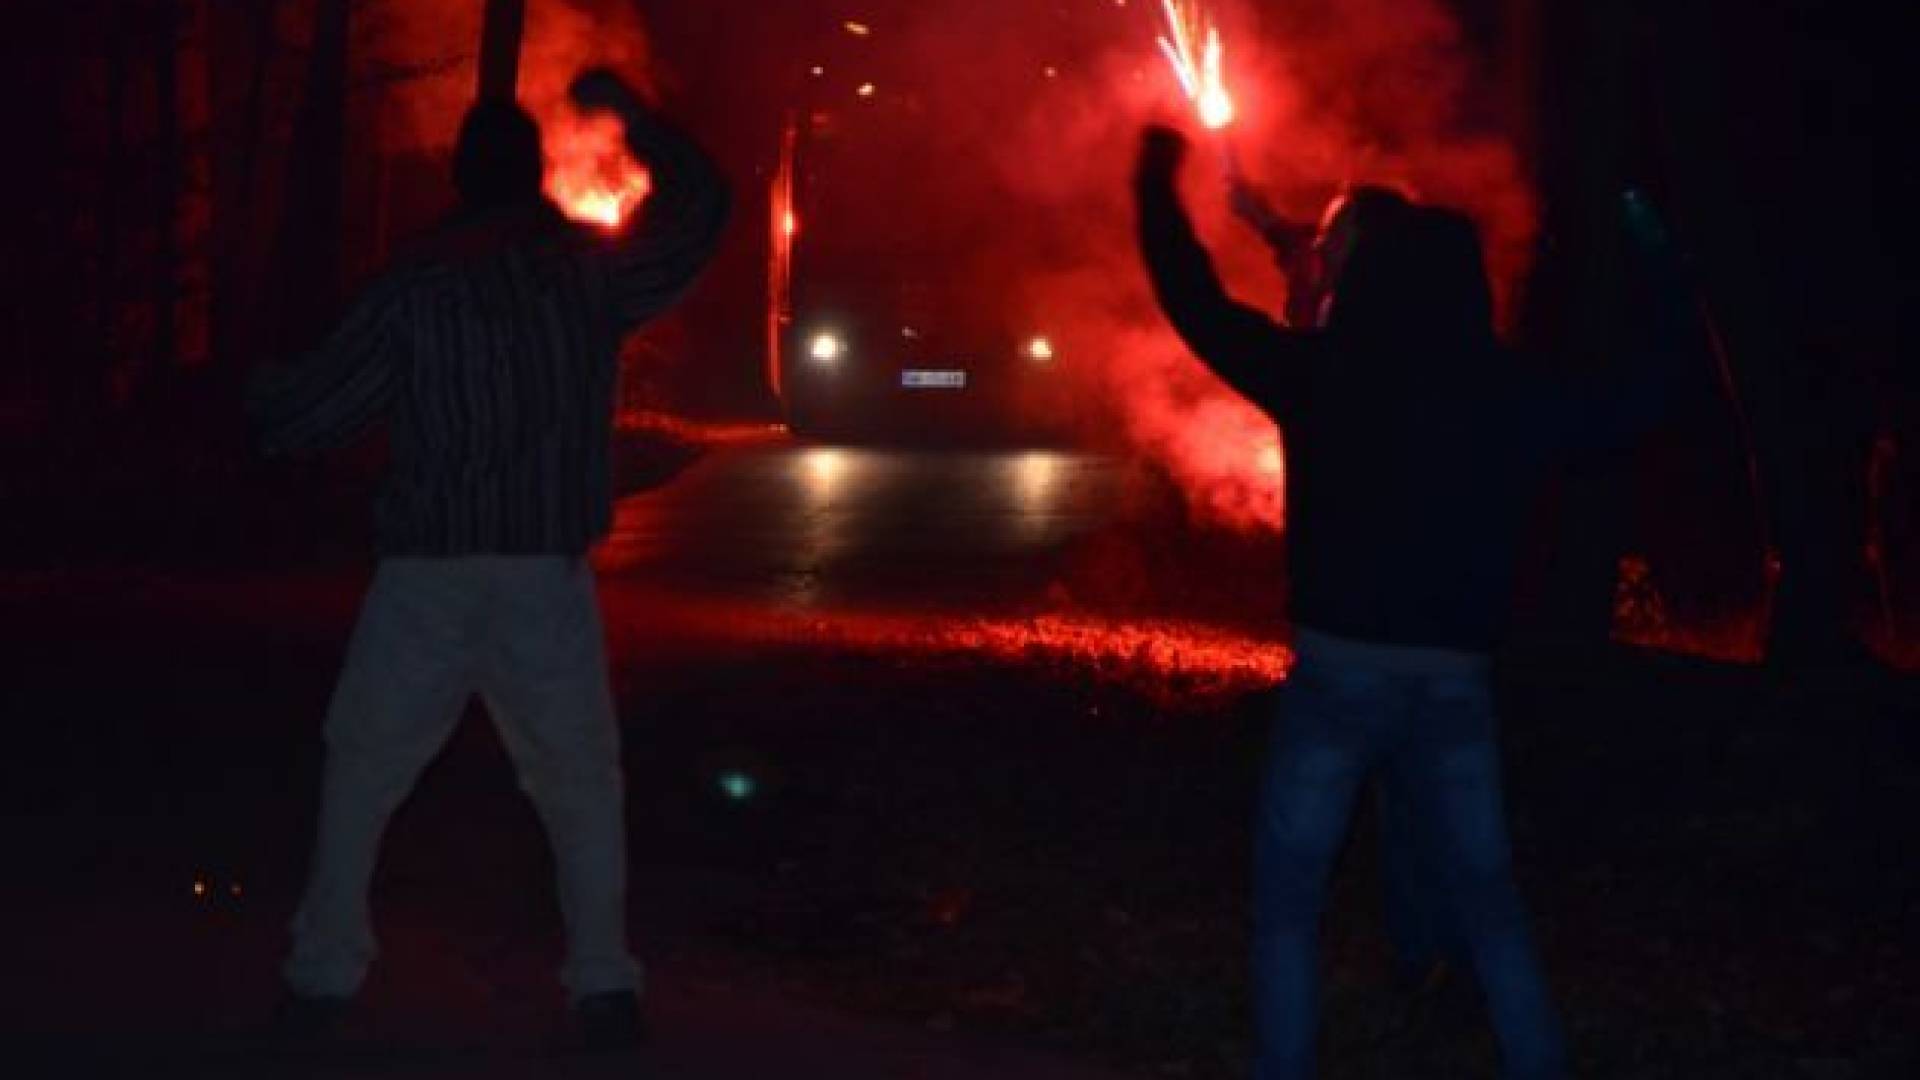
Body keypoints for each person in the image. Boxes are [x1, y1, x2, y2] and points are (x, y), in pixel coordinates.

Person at [1134, 123, 1688, 1080]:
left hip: (1338, 679)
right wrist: (1653, 245)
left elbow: (1196, 305)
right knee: (1490, 901)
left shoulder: (1322, 374)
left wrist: (1155, 190)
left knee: (1291, 902)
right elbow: (1645, 390)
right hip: (1455, 687)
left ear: (1370, 277)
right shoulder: (1506, 391)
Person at [246, 69, 729, 1050]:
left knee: (364, 770)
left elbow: (309, 414)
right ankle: (602, 987)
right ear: (537, 177)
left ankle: (322, 976)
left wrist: (255, 395)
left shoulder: (413, 287)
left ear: (464, 180)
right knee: (580, 784)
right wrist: (636, 118)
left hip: (426, 576)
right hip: (542, 578)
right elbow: (702, 211)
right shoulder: (586, 276)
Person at [1230, 173, 1468, 997]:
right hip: (1389, 627)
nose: (1317, 245)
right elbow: (1301, 240)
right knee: (1405, 797)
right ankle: (1427, 952)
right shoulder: (1378, 296)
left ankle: (1424, 951)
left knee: (1393, 809)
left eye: (1334, 235)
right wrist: (1260, 212)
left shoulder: (1387, 347)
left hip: (1378, 622)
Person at [1227, 177, 1411, 330]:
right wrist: (1262, 217)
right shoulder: (1323, 290)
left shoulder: (1369, 334)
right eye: (1324, 234)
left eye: (1336, 237)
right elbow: (1297, 246)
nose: (1320, 246)